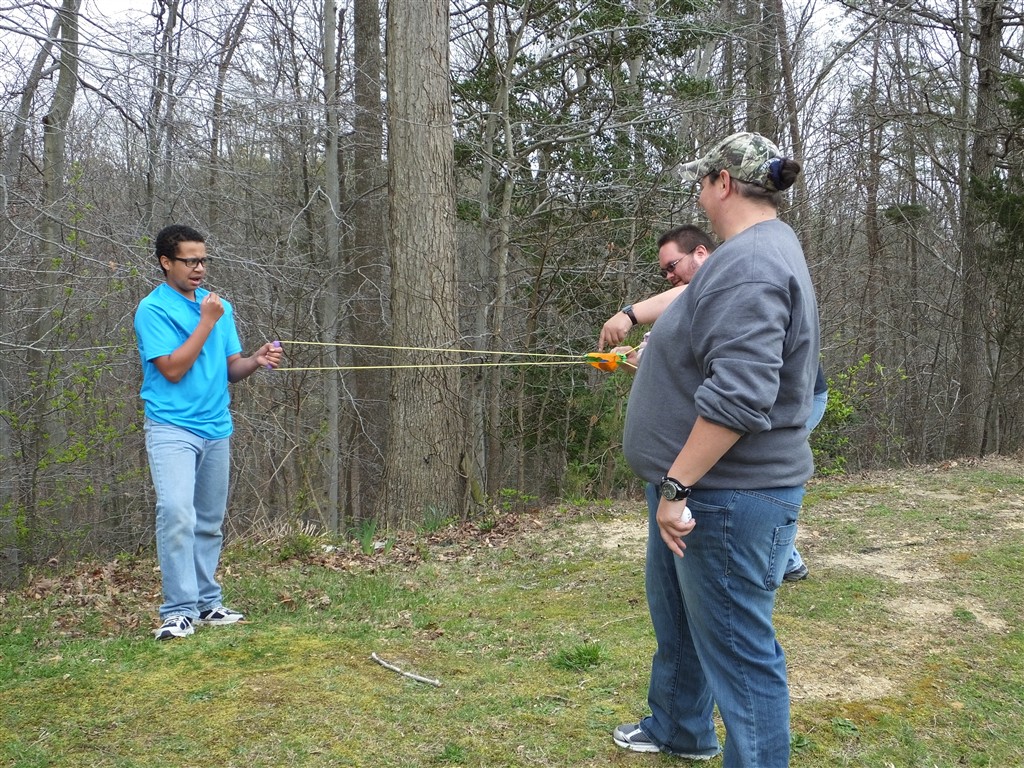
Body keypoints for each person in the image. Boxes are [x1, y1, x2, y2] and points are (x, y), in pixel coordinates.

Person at [612, 132, 819, 767]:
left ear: (722, 183)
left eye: (702, 183)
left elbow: (740, 397)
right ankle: (681, 730)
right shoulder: (752, 252)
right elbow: (715, 345)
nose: (699, 195)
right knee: (682, 622)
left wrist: (677, 489)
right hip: (701, 490)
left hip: (724, 497)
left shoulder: (750, 263)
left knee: (741, 656)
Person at [601, 226, 822, 582]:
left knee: (747, 476)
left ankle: (783, 557)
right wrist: (627, 360)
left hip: (788, 408)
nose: (668, 276)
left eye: (672, 266)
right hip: (686, 472)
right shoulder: (693, 303)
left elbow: (738, 396)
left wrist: (628, 314)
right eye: (663, 271)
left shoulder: (731, 278)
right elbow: (679, 367)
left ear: (701, 254)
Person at [134, 224, 283, 641]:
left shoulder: (219, 308)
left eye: (203, 260)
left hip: (216, 427)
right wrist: (205, 321)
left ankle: (205, 603)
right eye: (190, 261)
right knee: (177, 513)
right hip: (171, 428)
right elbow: (173, 369)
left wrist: (255, 360)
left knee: (209, 522)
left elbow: (231, 368)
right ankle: (177, 611)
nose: (199, 268)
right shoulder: (153, 309)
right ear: (166, 262)